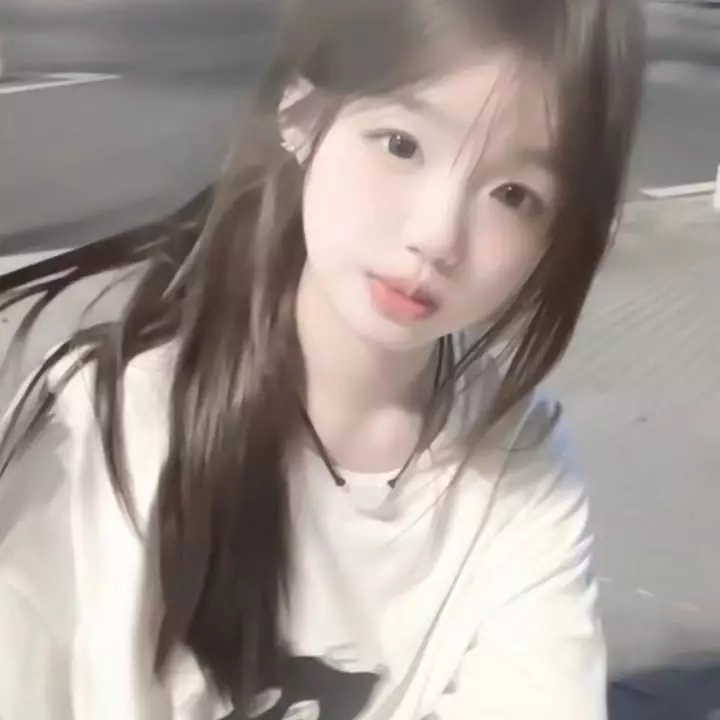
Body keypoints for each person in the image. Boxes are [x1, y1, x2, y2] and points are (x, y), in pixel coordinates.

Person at [0, 0, 645, 718]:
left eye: (513, 195)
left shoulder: (519, 471)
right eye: (400, 144)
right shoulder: (106, 424)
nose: (437, 236)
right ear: (301, 114)